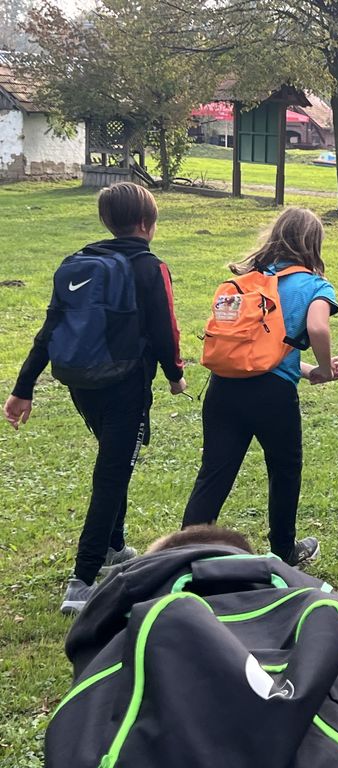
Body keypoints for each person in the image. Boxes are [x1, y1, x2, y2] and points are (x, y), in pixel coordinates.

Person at [3, 182, 187, 614]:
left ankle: (113, 547)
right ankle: (82, 581)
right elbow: (164, 329)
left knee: (115, 461)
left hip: (82, 383)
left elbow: (51, 328)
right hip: (125, 384)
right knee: (112, 473)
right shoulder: (150, 267)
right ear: (147, 222)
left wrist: (23, 387)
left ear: (106, 220)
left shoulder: (78, 263)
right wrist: (175, 375)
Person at [181, 207, 338, 568]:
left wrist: (306, 371)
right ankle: (284, 550)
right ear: (313, 244)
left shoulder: (247, 280)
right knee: (284, 471)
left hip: (224, 387)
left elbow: (256, 349)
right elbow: (317, 327)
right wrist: (323, 367)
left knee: (214, 473)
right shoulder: (313, 285)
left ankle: (182, 554)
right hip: (272, 397)